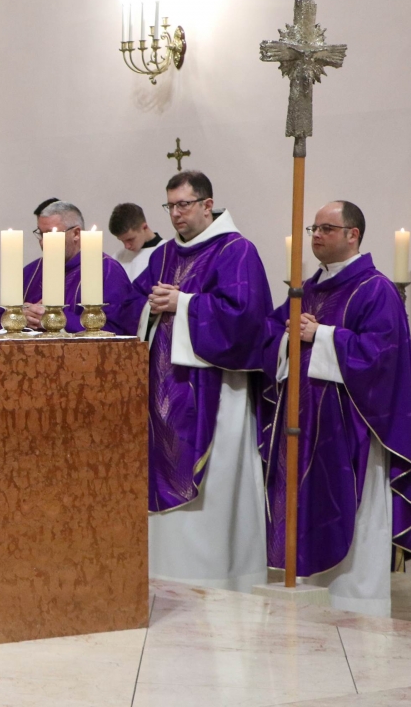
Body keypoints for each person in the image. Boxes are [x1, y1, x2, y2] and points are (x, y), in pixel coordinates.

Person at [260, 201, 411, 614]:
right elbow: (273, 334)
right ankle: (309, 597)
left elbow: (382, 359)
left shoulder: (376, 289)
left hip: (353, 431)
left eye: (327, 228)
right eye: (313, 228)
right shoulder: (308, 288)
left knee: (355, 515)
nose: (316, 235)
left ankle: (358, 607)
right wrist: (288, 337)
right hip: (303, 426)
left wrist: (323, 336)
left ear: (353, 235)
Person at [134, 171, 272, 592]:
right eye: (170, 206)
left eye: (184, 204)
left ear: (208, 205)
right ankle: (162, 570)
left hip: (216, 391)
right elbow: (133, 305)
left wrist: (184, 303)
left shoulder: (236, 250)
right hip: (161, 391)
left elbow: (246, 319)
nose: (176, 214)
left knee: (217, 483)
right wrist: (151, 308)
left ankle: (217, 575)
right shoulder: (162, 255)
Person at [0, 201, 142, 334]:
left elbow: (117, 329)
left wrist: (56, 319)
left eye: (51, 234)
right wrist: (21, 316)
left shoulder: (108, 270)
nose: (43, 242)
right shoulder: (32, 271)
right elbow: (0, 316)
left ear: (76, 233)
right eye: (41, 234)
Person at [109, 202, 165, 281]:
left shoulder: (167, 252)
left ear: (144, 227)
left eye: (130, 239)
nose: (126, 246)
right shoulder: (117, 258)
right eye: (122, 241)